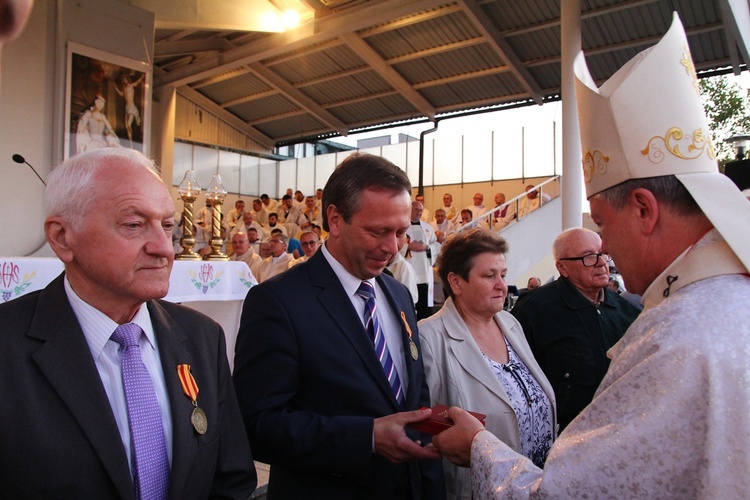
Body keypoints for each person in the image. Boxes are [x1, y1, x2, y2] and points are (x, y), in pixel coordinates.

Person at [431, 14, 750, 497]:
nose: (608, 251)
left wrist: (478, 445)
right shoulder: (724, 302)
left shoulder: (679, 337)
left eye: (601, 223)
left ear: (644, 209)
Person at [0, 148, 256, 498]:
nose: (164, 248)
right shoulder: (8, 345)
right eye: (134, 225)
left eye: (167, 226)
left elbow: (231, 479)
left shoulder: (201, 337)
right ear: (62, 237)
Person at [233, 153, 445, 499]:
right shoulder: (279, 302)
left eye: (400, 233)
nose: (391, 248)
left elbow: (414, 400)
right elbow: (257, 425)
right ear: (335, 218)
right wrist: (367, 437)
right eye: (378, 231)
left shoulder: (399, 294)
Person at [419, 228, 555, 499]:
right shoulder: (430, 336)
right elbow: (427, 428)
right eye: (489, 276)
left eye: (503, 275)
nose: (502, 285)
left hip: (535, 483)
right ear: (456, 282)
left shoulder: (510, 323)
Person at [511, 228, 640, 430]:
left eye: (603, 255)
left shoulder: (628, 313)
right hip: (559, 435)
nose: (601, 263)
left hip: (619, 430)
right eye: (588, 257)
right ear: (562, 268)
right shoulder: (534, 310)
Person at [402, 200, 440, 320]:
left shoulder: (427, 228)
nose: (419, 212)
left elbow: (437, 244)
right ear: (409, 209)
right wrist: (407, 247)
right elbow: (394, 244)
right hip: (408, 271)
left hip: (424, 274)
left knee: (424, 308)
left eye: (420, 210)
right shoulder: (402, 226)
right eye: (416, 210)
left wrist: (427, 247)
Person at [115, 73, 145, 148]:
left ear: (127, 80)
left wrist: (142, 76)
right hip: (127, 107)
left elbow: (138, 82)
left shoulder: (131, 86)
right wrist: (116, 88)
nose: (124, 81)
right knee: (126, 126)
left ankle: (132, 142)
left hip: (131, 106)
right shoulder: (124, 89)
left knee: (128, 124)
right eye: (123, 80)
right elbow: (122, 95)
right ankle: (131, 143)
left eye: (125, 79)